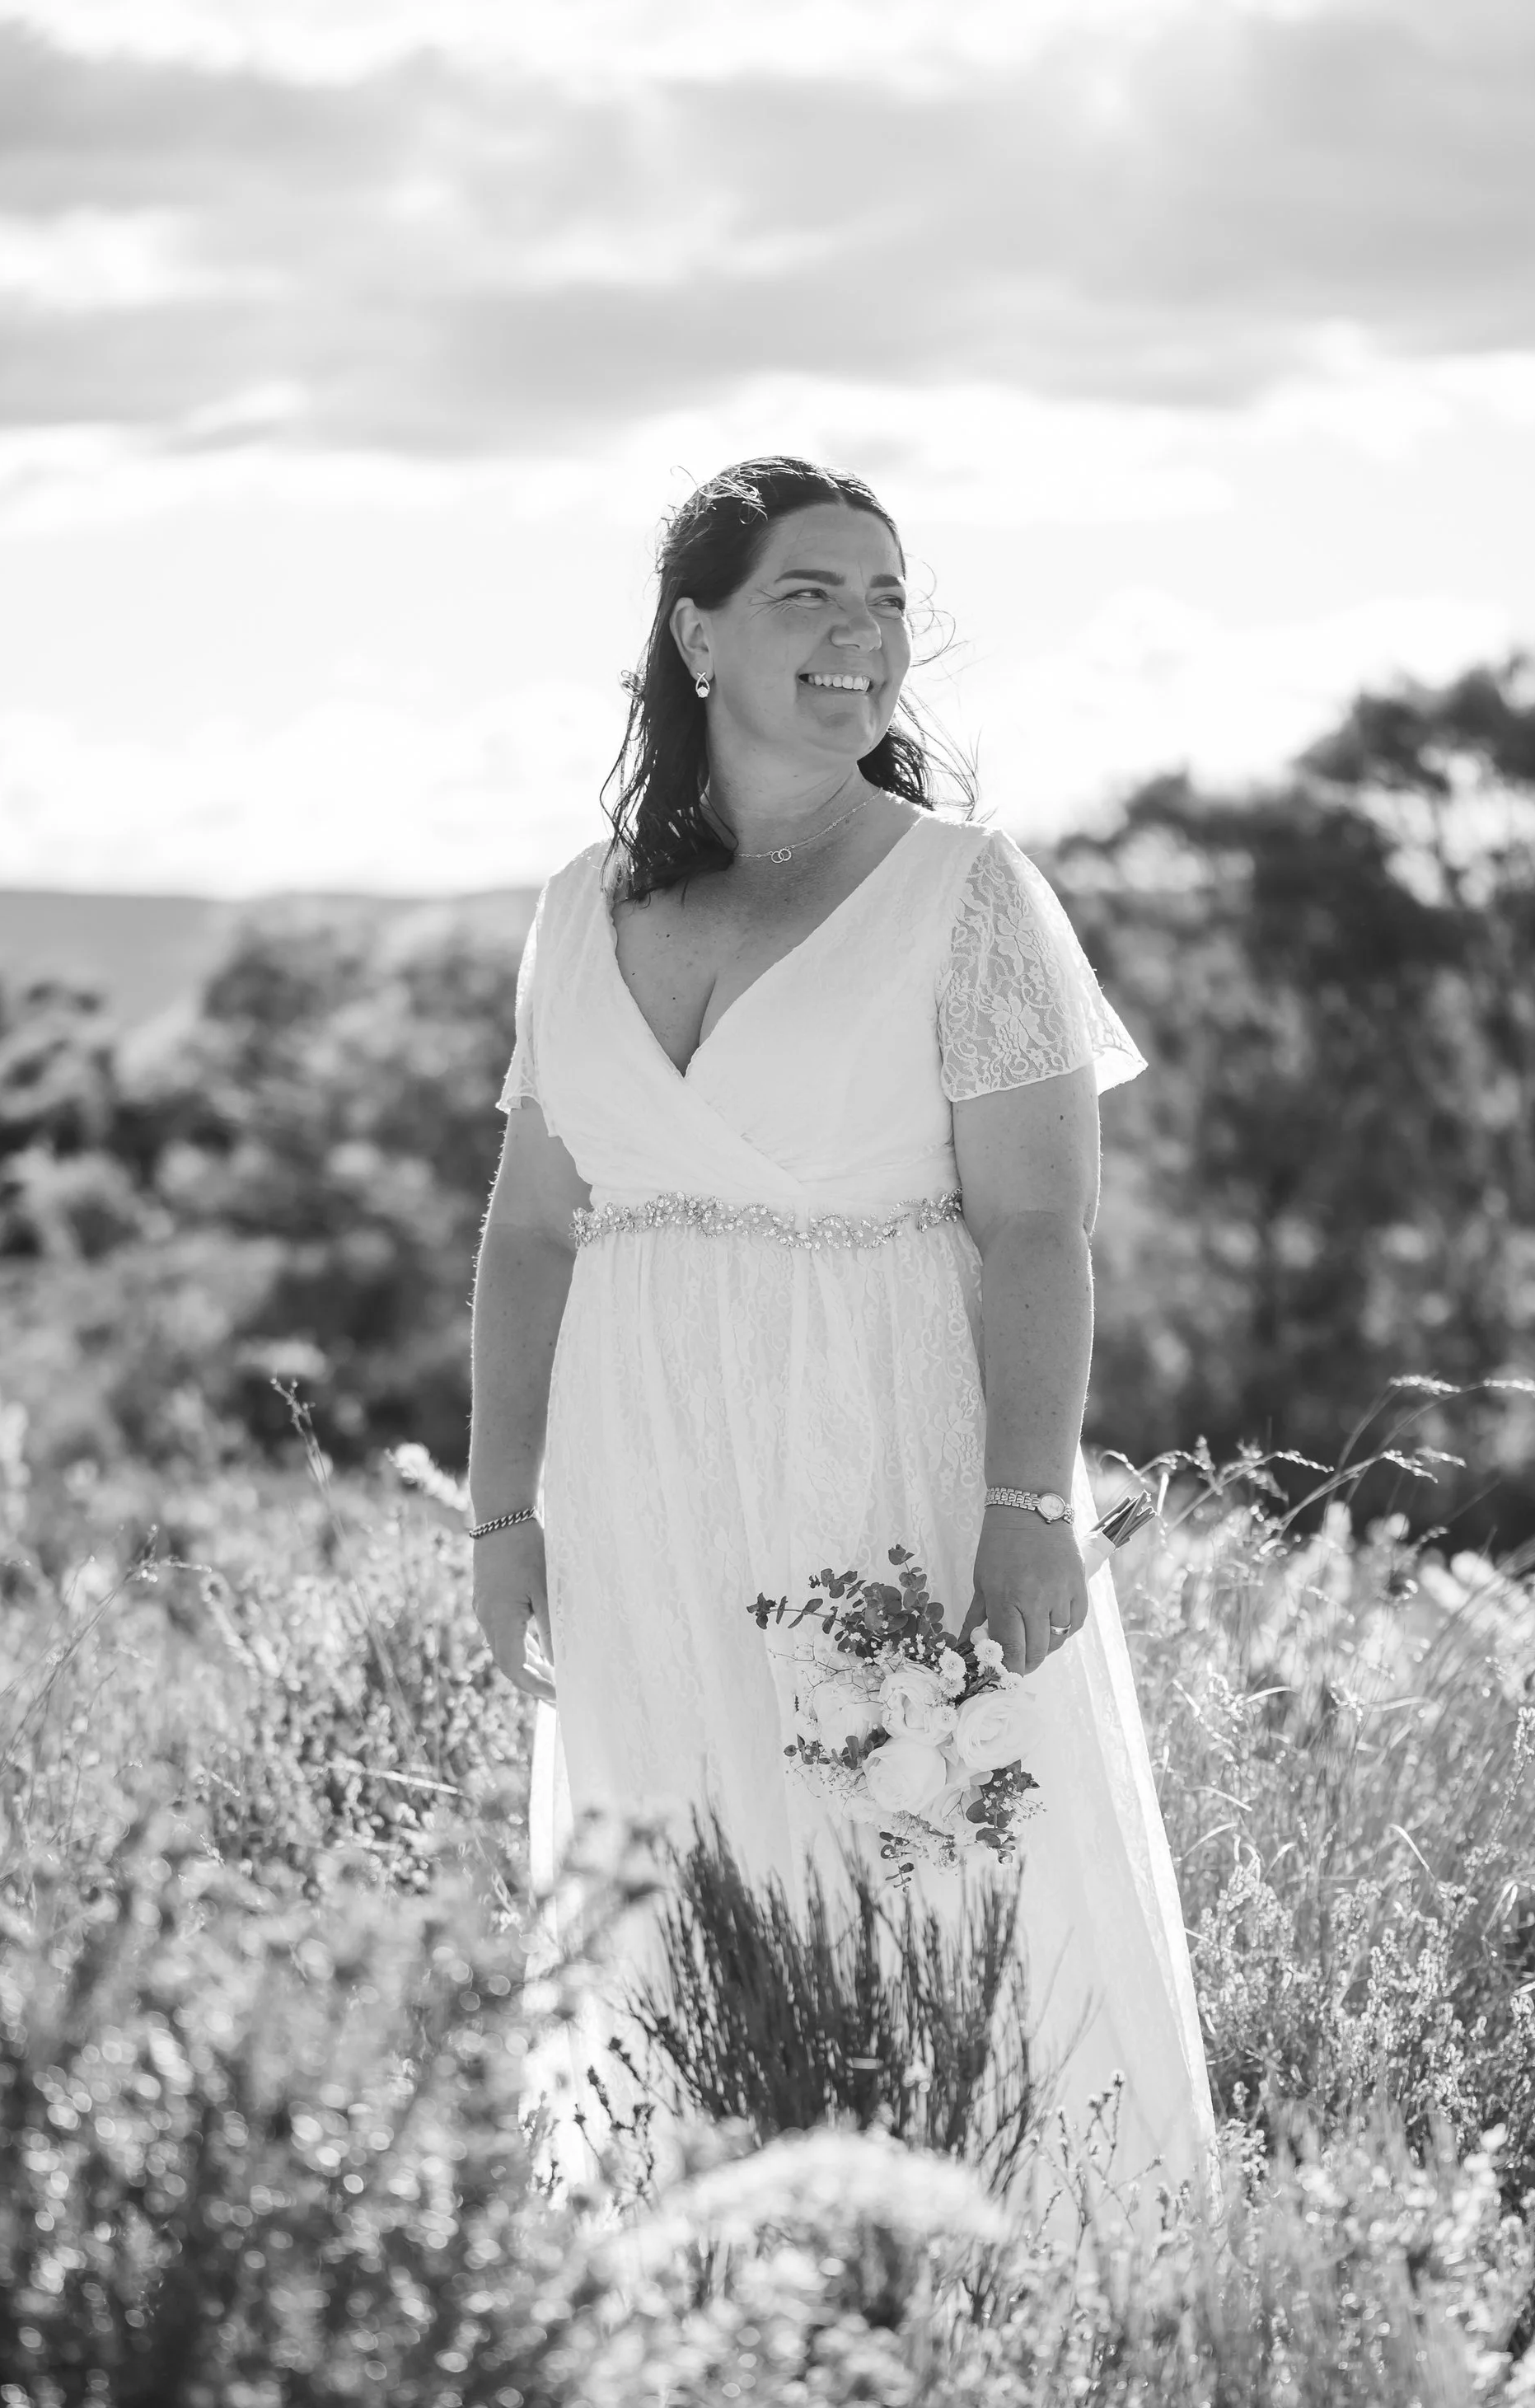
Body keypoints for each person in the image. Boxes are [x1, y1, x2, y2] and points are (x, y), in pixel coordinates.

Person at [466, 454, 1213, 2212]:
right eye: (809, 593)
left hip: (880, 1441)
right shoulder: (581, 906)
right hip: (638, 1471)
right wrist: (505, 1518)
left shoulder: (967, 892)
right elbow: (523, 1230)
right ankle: (697, 2273)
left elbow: (1038, 1222)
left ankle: (1017, 2258)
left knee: (931, 1875)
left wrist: (1025, 1504)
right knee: (679, 1856)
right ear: (695, 634)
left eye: (883, 600)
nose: (858, 635)